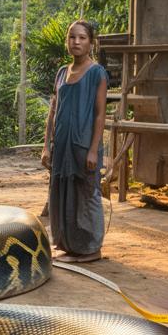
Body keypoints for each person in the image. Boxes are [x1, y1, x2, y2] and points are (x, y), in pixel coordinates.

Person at [40, 19, 108, 263]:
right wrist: (47, 145)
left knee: (86, 194)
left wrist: (92, 150)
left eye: (82, 38)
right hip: (62, 147)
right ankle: (70, 246)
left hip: (83, 146)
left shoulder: (97, 73)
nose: (76, 42)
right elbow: (53, 111)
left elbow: (100, 114)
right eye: (72, 37)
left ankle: (91, 248)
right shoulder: (61, 73)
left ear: (91, 42)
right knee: (63, 193)